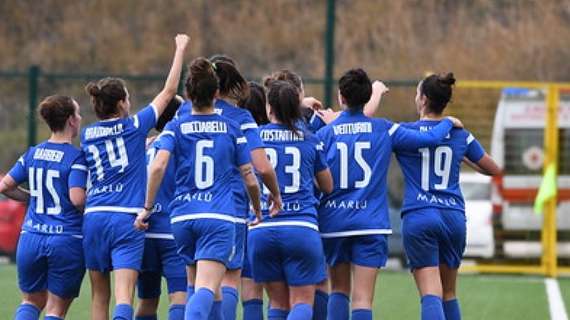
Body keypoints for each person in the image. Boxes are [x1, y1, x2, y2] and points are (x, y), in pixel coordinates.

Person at [316, 68, 463, 320]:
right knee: (363, 299)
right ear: (365, 98)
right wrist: (448, 122)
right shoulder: (384, 129)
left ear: (341, 97)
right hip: (370, 224)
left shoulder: (324, 133)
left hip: (334, 222)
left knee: (339, 289)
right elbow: (425, 139)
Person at [134, 57, 264, 320]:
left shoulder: (175, 124)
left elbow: (157, 167)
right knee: (208, 287)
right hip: (218, 216)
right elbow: (250, 177)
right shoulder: (232, 126)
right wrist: (257, 209)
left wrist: (146, 208)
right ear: (216, 93)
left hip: (182, 218)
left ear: (188, 94)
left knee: (202, 289)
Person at [81, 34, 189, 320]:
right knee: (124, 296)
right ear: (120, 104)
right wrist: (179, 49)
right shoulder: (134, 128)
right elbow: (169, 91)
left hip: (93, 217)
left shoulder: (86, 134)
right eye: (127, 97)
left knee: (99, 297)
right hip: (126, 218)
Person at [177, 56, 281, 320]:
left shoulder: (184, 113)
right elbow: (262, 167)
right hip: (228, 208)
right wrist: (273, 196)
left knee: (195, 281)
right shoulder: (240, 118)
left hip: (187, 207)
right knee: (228, 281)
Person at [393, 73, 500, 320]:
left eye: (417, 93)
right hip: (453, 217)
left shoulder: (404, 132)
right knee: (449, 292)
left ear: (423, 99)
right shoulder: (461, 134)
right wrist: (460, 156)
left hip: (420, 215)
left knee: (431, 292)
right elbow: (494, 169)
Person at [248, 80, 333, 320]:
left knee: (277, 302)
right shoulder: (309, 140)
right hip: (300, 228)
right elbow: (328, 186)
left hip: (261, 228)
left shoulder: (254, 137)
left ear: (269, 108)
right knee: (302, 301)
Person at [0, 95, 87, 320]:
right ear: (70, 120)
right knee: (56, 309)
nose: (79, 117)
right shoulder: (76, 157)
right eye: (77, 114)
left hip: (30, 239)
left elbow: (5, 186)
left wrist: (35, 198)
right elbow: (77, 199)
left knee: (30, 301)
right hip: (65, 240)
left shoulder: (32, 153)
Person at [135, 96, 186, 320]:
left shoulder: (144, 146)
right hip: (170, 230)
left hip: (144, 230)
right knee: (180, 297)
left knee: (147, 300)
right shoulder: (180, 143)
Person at [236, 81, 269, 320]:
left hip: (241, 219)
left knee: (241, 290)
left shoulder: (233, 138)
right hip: (272, 218)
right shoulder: (274, 136)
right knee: (263, 294)